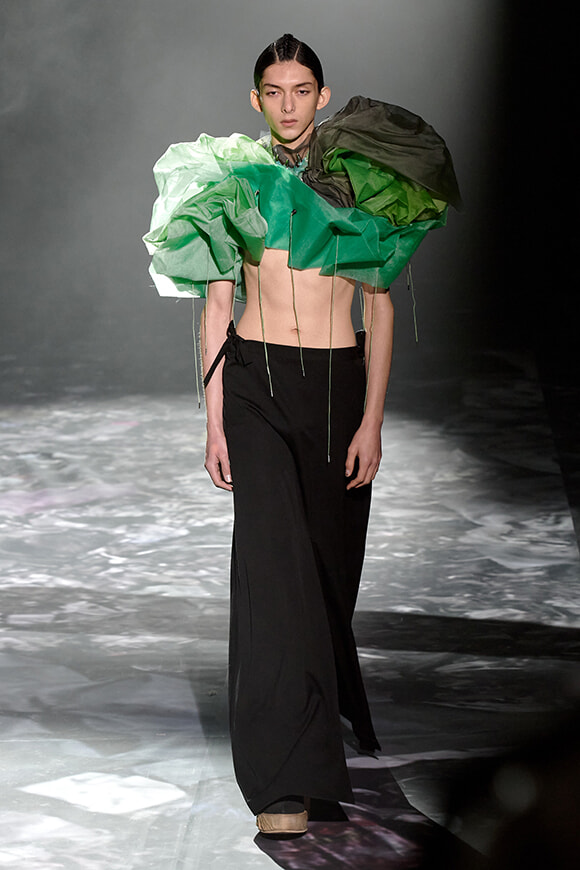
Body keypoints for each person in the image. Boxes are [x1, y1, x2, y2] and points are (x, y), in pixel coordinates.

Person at [143, 34, 460, 836]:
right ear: (256, 100)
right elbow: (216, 305)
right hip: (255, 384)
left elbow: (379, 309)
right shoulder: (232, 180)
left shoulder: (359, 178)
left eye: (302, 90)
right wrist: (214, 420)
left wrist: (372, 421)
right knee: (272, 574)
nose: (288, 104)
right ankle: (284, 779)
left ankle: (321, 733)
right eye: (274, 91)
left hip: (335, 388)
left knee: (325, 578)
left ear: (322, 94)